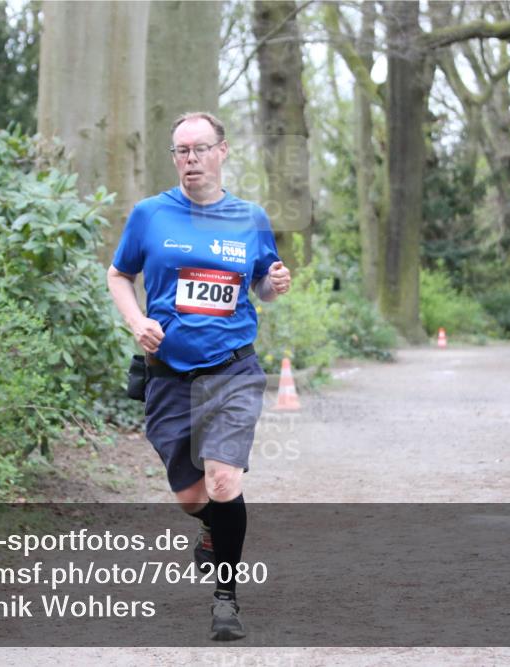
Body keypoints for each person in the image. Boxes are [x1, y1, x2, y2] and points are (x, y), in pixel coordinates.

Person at [106, 112, 291, 641]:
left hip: (232, 367)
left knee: (223, 479)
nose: (190, 160)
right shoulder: (149, 215)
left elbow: (264, 285)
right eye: (180, 151)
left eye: (199, 149)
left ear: (222, 151)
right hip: (167, 375)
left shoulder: (250, 217)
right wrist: (137, 321)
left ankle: (225, 600)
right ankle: (212, 528)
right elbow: (120, 274)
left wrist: (276, 283)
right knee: (192, 498)